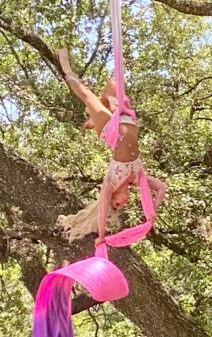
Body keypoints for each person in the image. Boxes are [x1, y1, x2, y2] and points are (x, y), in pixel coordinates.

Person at [56, 48, 166, 243]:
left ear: (112, 197)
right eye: (121, 206)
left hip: (110, 128)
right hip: (126, 118)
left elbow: (100, 216)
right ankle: (99, 113)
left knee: (85, 93)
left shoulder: (110, 184)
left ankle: (66, 68)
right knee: (113, 85)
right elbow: (161, 188)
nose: (122, 204)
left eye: (116, 205)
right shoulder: (136, 178)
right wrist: (153, 212)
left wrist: (100, 237)